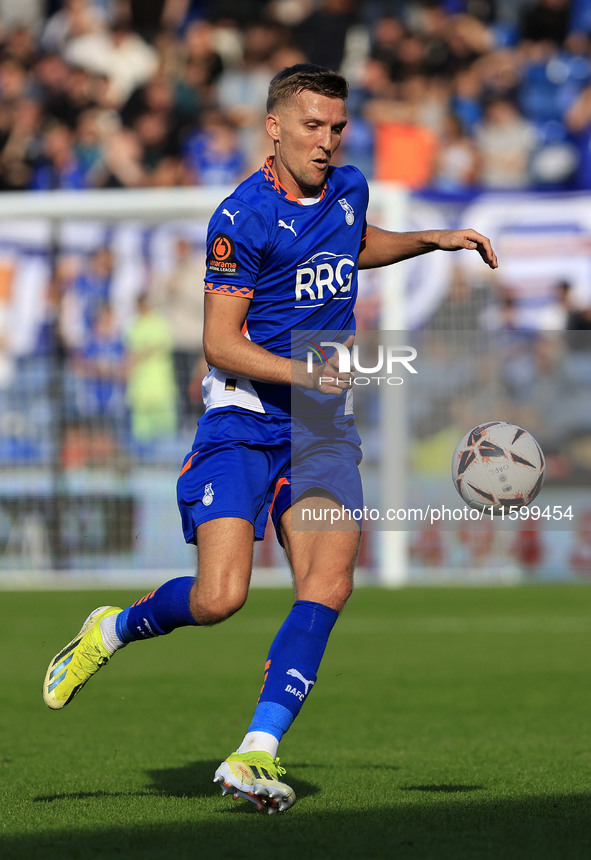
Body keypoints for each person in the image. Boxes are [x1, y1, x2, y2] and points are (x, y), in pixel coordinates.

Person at [42, 64, 497, 814]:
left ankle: (255, 752)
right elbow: (219, 343)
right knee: (221, 598)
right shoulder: (240, 216)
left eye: (337, 126)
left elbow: (349, 243)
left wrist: (427, 240)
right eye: (313, 126)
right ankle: (114, 626)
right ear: (274, 127)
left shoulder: (348, 187)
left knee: (330, 581)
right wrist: (305, 373)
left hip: (318, 426)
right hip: (244, 418)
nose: (327, 141)